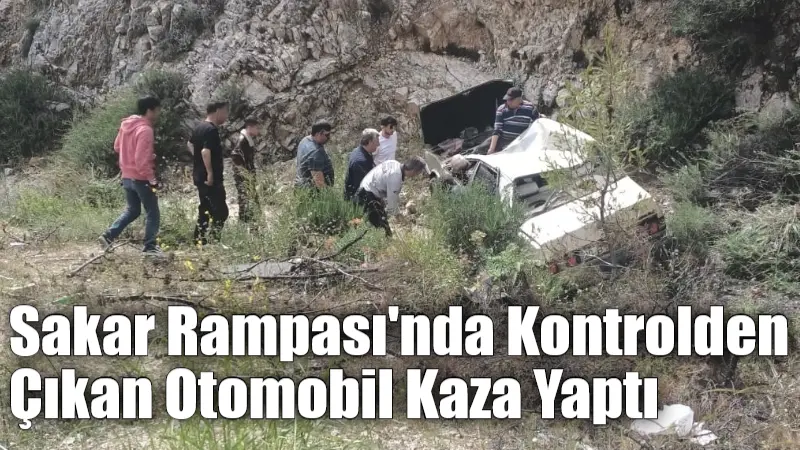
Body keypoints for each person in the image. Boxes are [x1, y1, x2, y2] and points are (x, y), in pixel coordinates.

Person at [99, 96, 164, 257]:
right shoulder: (145, 130)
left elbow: (117, 147)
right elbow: (141, 161)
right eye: (157, 110)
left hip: (127, 176)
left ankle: (109, 235)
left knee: (133, 210)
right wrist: (152, 179)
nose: (159, 113)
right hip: (141, 178)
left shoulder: (126, 125)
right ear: (149, 110)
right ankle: (150, 247)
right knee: (153, 213)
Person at [355, 156, 428, 237]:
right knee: (382, 228)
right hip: (367, 194)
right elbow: (391, 203)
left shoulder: (394, 163)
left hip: (366, 187)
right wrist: (398, 216)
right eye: (418, 173)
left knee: (379, 219)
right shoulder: (396, 177)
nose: (417, 175)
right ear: (414, 171)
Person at [191, 101, 230, 245]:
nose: (226, 116)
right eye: (225, 112)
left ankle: (198, 240)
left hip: (199, 176)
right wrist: (209, 173)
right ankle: (214, 241)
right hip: (210, 179)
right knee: (221, 212)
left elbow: (190, 144)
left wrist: (198, 161)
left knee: (205, 208)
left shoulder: (199, 127)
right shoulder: (211, 130)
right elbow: (205, 151)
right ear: (218, 111)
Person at [487, 87, 540, 154]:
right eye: (507, 99)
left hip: (520, 142)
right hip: (503, 140)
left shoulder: (530, 108)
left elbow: (537, 124)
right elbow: (497, 130)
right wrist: (491, 149)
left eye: (511, 100)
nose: (508, 102)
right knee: (479, 150)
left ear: (519, 99)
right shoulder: (501, 109)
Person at [231, 117, 260, 223]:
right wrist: (244, 173)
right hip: (243, 175)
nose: (258, 130)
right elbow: (235, 156)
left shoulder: (247, 140)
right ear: (249, 127)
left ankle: (252, 218)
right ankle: (244, 220)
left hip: (248, 173)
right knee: (244, 196)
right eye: (256, 128)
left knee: (250, 195)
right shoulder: (242, 140)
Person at [295, 120, 334, 189]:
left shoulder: (305, 140)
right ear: (318, 134)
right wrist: (330, 193)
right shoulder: (315, 152)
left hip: (301, 185)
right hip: (311, 191)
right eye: (327, 135)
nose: (329, 138)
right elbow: (320, 184)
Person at [343, 128, 379, 201]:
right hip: (358, 202)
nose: (379, 144)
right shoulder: (361, 162)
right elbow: (364, 187)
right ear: (370, 142)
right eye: (377, 141)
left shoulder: (359, 151)